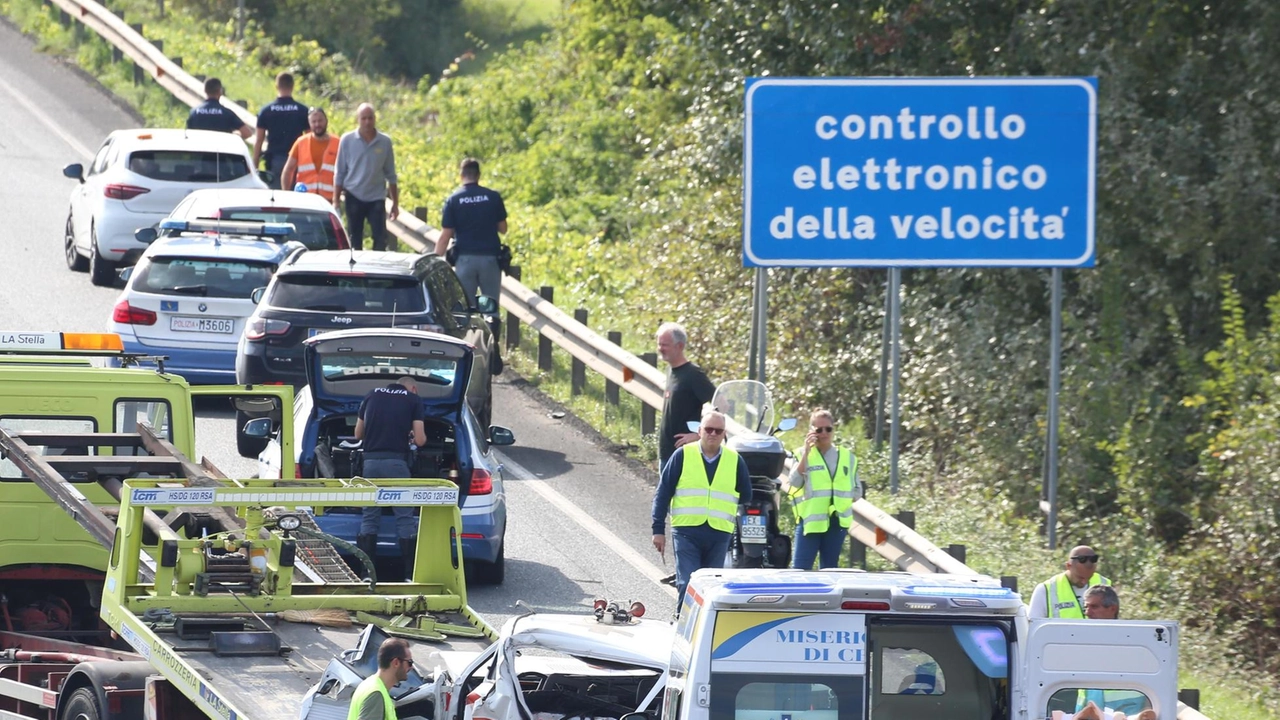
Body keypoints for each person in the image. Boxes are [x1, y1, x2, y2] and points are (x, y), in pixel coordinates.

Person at [651, 410, 752, 607]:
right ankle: (682, 624)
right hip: (687, 531)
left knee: (710, 588)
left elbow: (746, 495)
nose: (713, 434)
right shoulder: (682, 455)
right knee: (688, 583)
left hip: (719, 534)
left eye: (718, 430)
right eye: (708, 429)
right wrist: (658, 530)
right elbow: (662, 493)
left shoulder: (735, 460)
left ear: (724, 434)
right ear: (699, 431)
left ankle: (703, 633)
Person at [354, 377, 427, 580]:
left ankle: (366, 574)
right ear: (413, 388)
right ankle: (410, 575)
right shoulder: (413, 399)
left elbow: (358, 433)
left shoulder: (371, 395)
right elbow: (420, 440)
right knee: (404, 516)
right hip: (396, 464)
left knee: (370, 516)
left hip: (370, 463)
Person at [784, 409, 859, 570]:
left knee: (830, 571)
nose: (824, 433)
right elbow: (795, 482)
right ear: (811, 431)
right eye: (819, 430)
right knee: (800, 571)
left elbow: (857, 491)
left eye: (828, 429)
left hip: (836, 522)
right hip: (810, 522)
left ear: (833, 429)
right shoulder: (801, 453)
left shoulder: (847, 457)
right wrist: (807, 452)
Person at [433, 158, 508, 301]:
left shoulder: (454, 200)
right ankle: (492, 323)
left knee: (464, 307)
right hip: (490, 258)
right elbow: (503, 228)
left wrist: (434, 260)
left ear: (461, 175)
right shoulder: (493, 197)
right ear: (478, 175)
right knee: (491, 307)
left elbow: (445, 237)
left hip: (465, 260)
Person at [334, 103, 399, 250]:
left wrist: (395, 203)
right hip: (354, 195)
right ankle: (356, 270)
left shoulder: (384, 142)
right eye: (363, 118)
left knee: (380, 238)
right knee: (354, 238)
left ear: (375, 119)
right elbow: (340, 172)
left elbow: (391, 174)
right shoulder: (347, 140)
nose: (367, 122)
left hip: (376, 197)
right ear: (358, 119)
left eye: (370, 118)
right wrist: (336, 201)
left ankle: (377, 270)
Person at [655, 322, 716, 471]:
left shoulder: (693, 374)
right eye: (659, 344)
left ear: (680, 346)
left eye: (665, 345)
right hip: (666, 452)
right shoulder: (671, 370)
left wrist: (699, 434)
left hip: (685, 454)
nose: (660, 349)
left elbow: (722, 404)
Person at [253, 73, 309, 189]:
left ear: (276, 86)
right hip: (297, 160)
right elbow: (309, 139)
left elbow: (259, 140)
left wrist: (254, 166)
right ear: (293, 86)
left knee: (276, 198)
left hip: (274, 160)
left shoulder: (266, 111)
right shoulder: (303, 110)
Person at [1029, 545, 1111, 618]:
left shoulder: (1105, 584)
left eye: (1089, 577)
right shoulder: (1046, 590)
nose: (1084, 582)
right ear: (1068, 566)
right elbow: (1033, 626)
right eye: (1081, 578)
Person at [346, 637, 413, 720]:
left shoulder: (370, 684)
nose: (411, 667)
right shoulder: (376, 694)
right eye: (409, 662)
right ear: (396, 663)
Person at [282, 108, 337, 203]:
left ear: (326, 121)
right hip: (305, 198)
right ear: (309, 123)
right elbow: (288, 170)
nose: (317, 124)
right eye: (313, 121)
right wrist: (285, 196)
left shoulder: (338, 143)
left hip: (329, 199)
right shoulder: (301, 143)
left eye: (320, 120)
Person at [186, 78, 252, 138]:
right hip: (220, 150)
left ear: (205, 91)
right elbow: (247, 133)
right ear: (220, 91)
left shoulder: (194, 112)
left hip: (200, 150)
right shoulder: (227, 113)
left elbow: (188, 135)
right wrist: (233, 136)